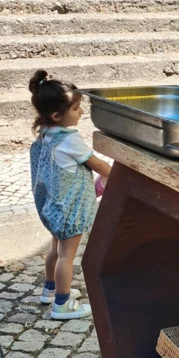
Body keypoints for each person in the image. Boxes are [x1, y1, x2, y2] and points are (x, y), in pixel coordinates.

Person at [28, 70, 111, 321]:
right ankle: (62, 305)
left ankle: (50, 289)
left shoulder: (45, 134)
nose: (81, 113)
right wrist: (116, 174)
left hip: (53, 207)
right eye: (75, 109)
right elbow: (96, 164)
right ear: (57, 115)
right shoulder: (70, 140)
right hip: (69, 210)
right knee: (67, 255)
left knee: (55, 249)